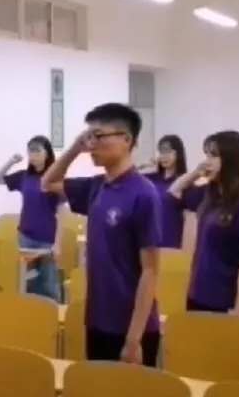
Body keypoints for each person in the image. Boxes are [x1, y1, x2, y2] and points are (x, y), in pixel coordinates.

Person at [41, 103, 162, 365]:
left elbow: (150, 271)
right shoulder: (96, 187)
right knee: (96, 389)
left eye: (98, 136)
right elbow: (48, 183)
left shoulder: (144, 193)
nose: (91, 145)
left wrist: (134, 340)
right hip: (98, 318)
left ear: (126, 140)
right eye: (88, 137)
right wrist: (75, 148)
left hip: (131, 327)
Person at [168, 131, 239, 316]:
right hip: (198, 294)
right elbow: (174, 192)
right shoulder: (209, 194)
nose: (207, 162)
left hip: (225, 301)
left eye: (214, 155)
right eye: (206, 155)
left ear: (232, 159)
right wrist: (196, 172)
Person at [0, 136, 63, 301]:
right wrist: (11, 162)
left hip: (47, 239)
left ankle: (53, 314)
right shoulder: (24, 176)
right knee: (26, 283)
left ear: (47, 153)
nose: (33, 155)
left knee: (48, 283)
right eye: (30, 151)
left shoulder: (55, 178)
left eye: (37, 151)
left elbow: (61, 213)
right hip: (25, 237)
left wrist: (58, 243)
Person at [139, 135, 190, 249]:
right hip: (148, 239)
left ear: (178, 153)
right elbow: (128, 177)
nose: (164, 156)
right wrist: (144, 165)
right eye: (161, 152)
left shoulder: (183, 181)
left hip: (170, 238)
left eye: (168, 151)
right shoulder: (152, 178)